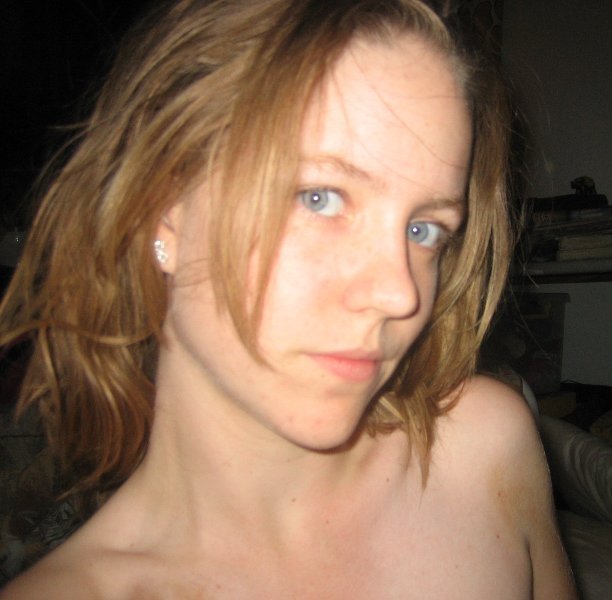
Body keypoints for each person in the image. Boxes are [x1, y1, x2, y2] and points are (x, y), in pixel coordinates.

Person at [0, 0, 576, 597]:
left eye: (423, 229)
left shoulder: (482, 450)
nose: (398, 293)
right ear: (163, 208)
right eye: (319, 198)